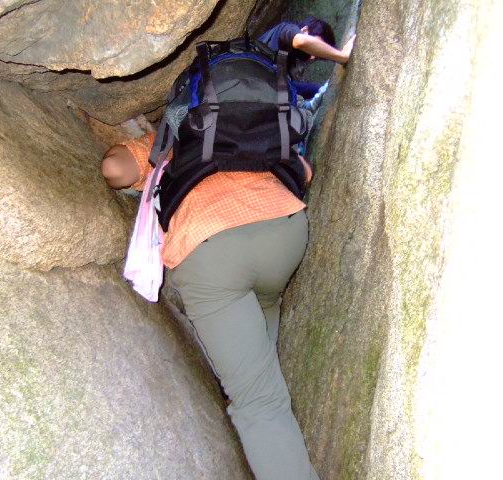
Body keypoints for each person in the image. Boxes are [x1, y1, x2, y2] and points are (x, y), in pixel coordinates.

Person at [101, 18, 354, 480]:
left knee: (259, 402)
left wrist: (131, 148)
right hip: (283, 233)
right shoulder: (263, 124)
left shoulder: (171, 137)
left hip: (212, 249)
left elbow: (114, 171)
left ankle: (271, 437)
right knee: (259, 322)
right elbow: (302, 170)